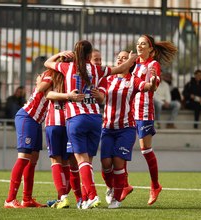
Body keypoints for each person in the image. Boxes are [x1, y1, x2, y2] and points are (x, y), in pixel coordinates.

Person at [44, 40, 137, 209]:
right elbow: (121, 69)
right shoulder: (97, 69)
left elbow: (47, 63)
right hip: (95, 118)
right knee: (88, 161)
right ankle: (86, 198)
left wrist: (59, 55)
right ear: (89, 55)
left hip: (76, 118)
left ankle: (92, 196)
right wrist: (132, 59)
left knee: (81, 161)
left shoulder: (68, 67)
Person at [100, 50, 156, 208]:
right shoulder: (108, 79)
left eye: (124, 58)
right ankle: (110, 188)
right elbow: (101, 96)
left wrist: (152, 81)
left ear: (131, 62)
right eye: (118, 58)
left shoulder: (134, 80)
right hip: (107, 128)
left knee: (118, 162)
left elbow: (149, 87)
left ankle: (116, 199)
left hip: (126, 128)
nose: (120, 60)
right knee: (105, 162)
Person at [130, 34, 177, 205]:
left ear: (151, 48)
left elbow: (155, 83)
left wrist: (153, 81)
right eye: (138, 43)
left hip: (143, 112)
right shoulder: (134, 64)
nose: (139, 46)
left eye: (143, 44)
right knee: (122, 147)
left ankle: (155, 185)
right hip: (129, 112)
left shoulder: (153, 64)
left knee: (145, 150)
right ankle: (122, 185)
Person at [4, 69, 52, 208]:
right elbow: (41, 87)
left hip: (36, 121)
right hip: (27, 117)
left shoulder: (58, 76)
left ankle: (27, 199)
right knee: (24, 157)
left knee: (33, 158)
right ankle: (10, 199)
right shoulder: (51, 75)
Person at [44, 59, 85, 209]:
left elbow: (45, 92)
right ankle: (80, 199)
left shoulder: (52, 74)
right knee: (71, 162)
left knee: (57, 162)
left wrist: (40, 80)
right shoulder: (76, 78)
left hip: (54, 123)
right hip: (70, 121)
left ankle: (62, 197)